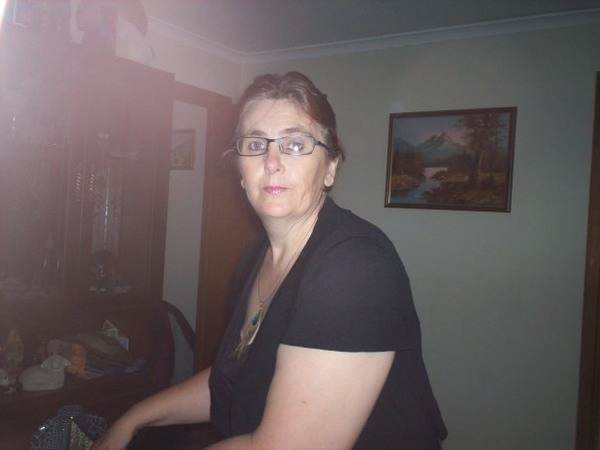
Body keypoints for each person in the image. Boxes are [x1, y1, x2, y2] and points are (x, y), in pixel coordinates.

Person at [93, 71, 447, 450]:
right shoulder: (254, 259)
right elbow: (231, 381)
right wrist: (132, 420)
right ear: (240, 170)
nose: (272, 161)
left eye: (295, 144)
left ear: (330, 168)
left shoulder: (354, 268)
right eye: (256, 143)